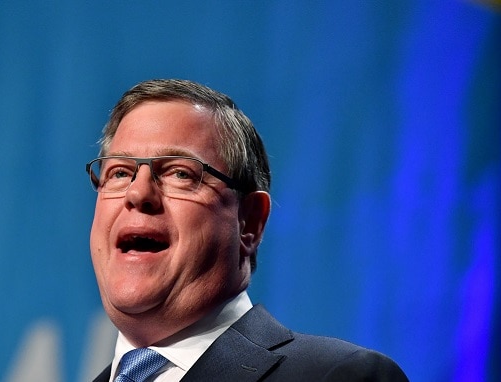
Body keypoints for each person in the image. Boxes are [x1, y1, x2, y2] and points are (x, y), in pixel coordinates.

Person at [86, 79, 408, 381]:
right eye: (119, 173)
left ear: (249, 223)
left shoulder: (340, 376)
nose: (138, 193)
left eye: (181, 173)